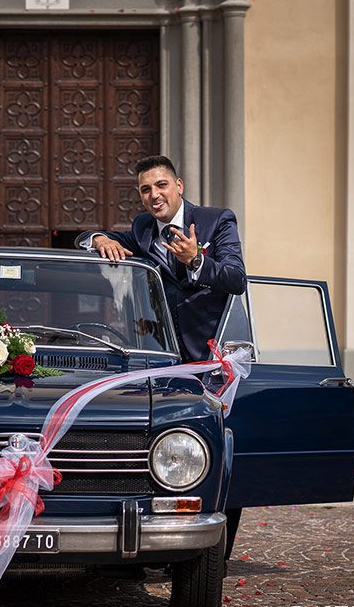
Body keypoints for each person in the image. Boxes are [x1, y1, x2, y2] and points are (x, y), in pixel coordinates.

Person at [76, 154, 247, 563]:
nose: (154, 196)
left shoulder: (216, 221)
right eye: (145, 190)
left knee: (217, 454)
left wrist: (195, 259)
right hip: (158, 357)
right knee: (167, 450)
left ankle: (212, 556)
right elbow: (91, 235)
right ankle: (154, 546)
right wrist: (98, 239)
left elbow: (236, 278)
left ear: (179, 185)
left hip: (209, 359)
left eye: (161, 186)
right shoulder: (141, 229)